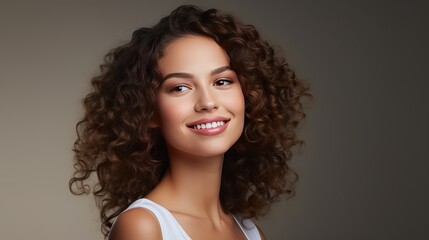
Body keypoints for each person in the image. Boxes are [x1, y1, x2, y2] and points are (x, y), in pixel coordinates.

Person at [70, 5, 310, 240]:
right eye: (180, 87)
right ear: (147, 111)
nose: (207, 102)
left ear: (249, 94)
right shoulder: (143, 228)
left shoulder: (251, 233)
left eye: (222, 81)